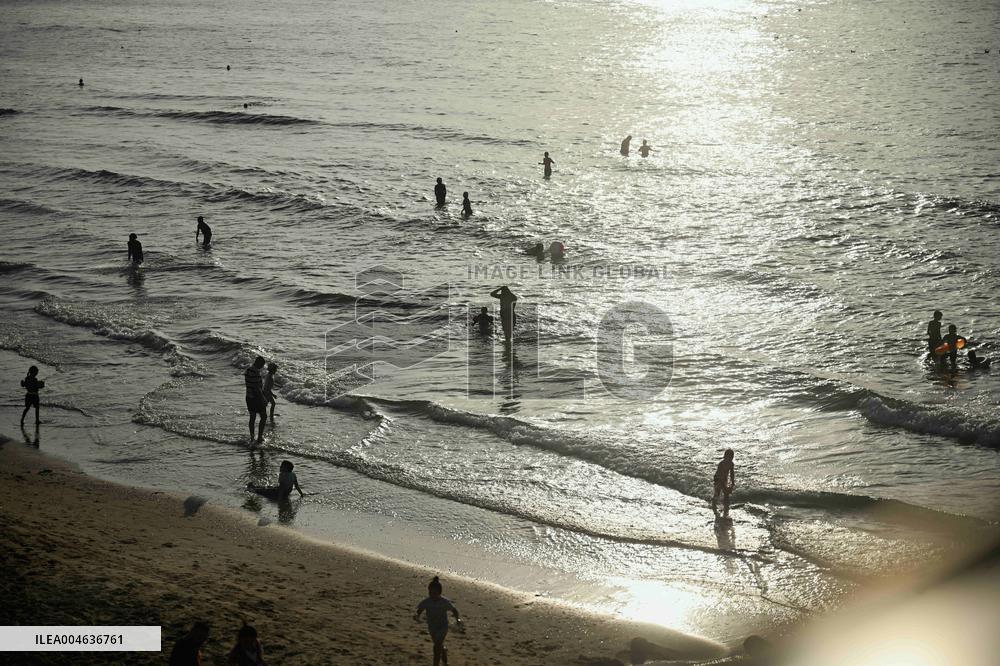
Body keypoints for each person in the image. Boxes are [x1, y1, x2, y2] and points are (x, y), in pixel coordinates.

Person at [415, 576, 461, 666]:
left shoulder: (444, 602)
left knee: (436, 646)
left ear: (439, 593)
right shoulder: (427, 602)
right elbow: (420, 610)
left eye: (434, 593)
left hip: (443, 627)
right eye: (430, 593)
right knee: (438, 644)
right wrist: (417, 616)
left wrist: (458, 619)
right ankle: (444, 653)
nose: (432, 595)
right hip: (432, 627)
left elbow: (454, 610)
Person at [245, 356, 268, 444]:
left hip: (249, 397)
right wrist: (263, 399)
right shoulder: (255, 372)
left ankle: (252, 437)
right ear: (258, 363)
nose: (262, 367)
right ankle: (259, 437)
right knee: (264, 417)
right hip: (256, 398)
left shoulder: (248, 370)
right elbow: (257, 388)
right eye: (262, 365)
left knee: (252, 418)